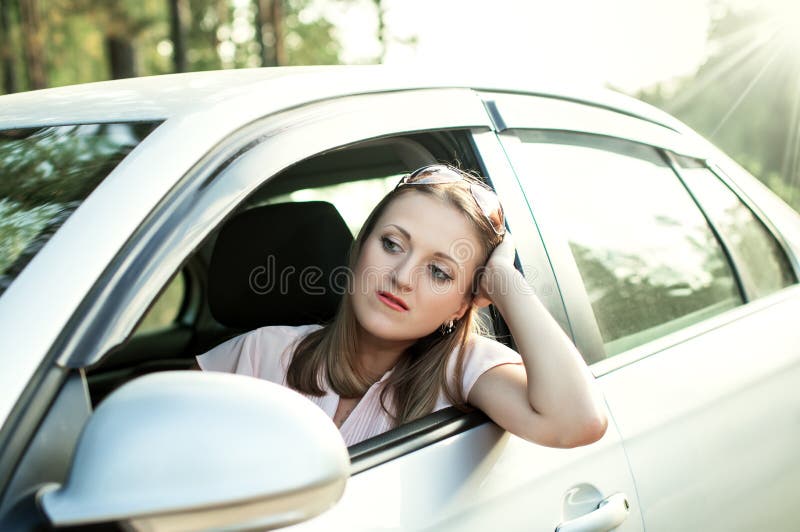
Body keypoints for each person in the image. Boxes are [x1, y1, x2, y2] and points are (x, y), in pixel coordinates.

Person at [195, 164, 607, 447]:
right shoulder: (260, 352)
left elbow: (577, 422)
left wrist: (505, 281)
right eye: (392, 244)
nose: (402, 277)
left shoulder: (462, 371)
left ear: (463, 305)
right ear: (359, 248)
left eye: (440, 272)